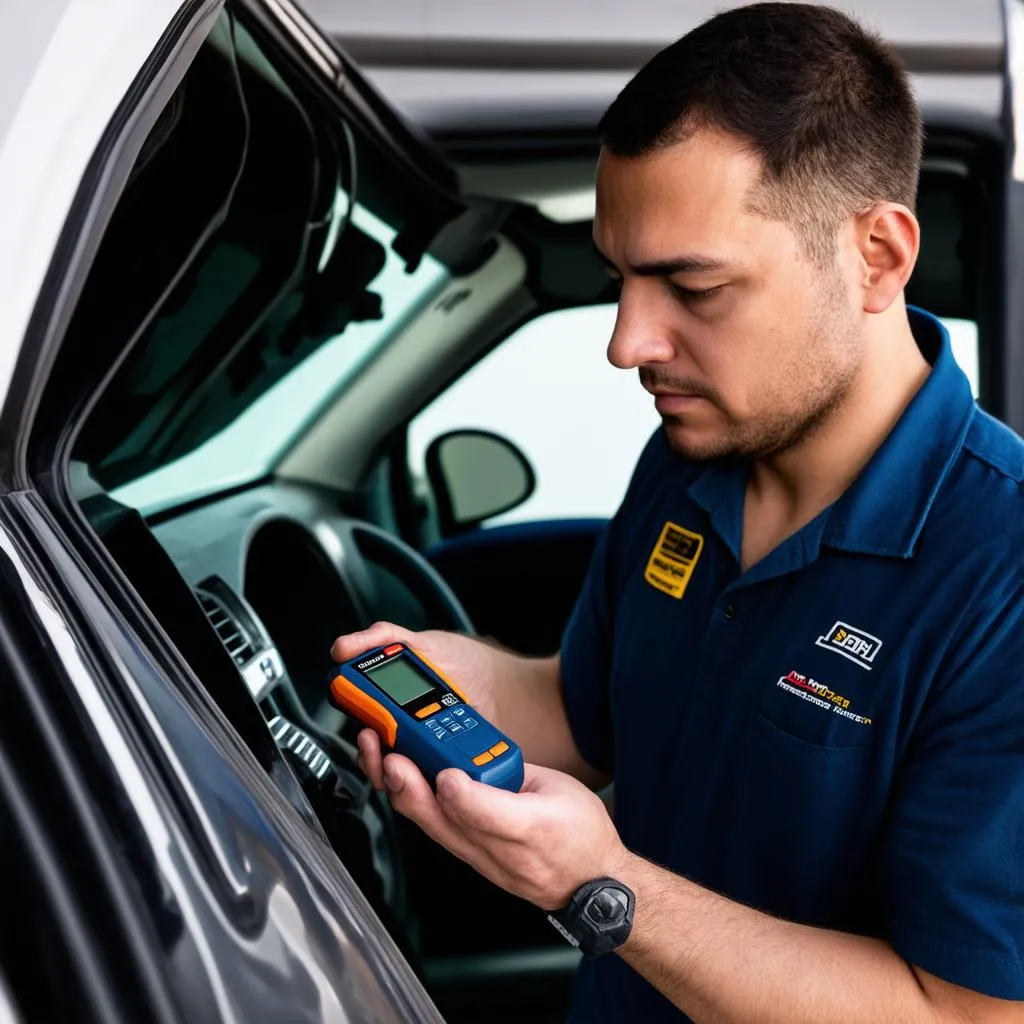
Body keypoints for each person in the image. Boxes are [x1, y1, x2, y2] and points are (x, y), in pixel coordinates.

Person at [332, 4, 1024, 1021]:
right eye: (619, 279)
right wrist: (459, 678)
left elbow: (962, 1014)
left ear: (876, 256)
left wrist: (603, 891)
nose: (626, 343)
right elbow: (590, 713)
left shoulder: (1000, 574)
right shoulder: (690, 457)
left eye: (690, 286)